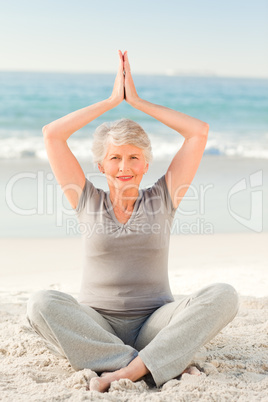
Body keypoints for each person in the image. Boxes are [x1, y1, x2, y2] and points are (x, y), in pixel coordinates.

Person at [27, 50, 239, 393]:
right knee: (40, 303)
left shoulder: (164, 197)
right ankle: (155, 363)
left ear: (145, 164)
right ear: (101, 166)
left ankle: (123, 367)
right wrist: (113, 100)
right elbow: (52, 134)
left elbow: (198, 132)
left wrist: (137, 101)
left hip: (156, 323)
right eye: (115, 158)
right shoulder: (85, 198)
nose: (124, 167)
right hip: (96, 323)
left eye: (133, 158)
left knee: (224, 295)